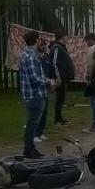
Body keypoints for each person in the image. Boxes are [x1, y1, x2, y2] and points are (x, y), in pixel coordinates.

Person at [18, 30, 57, 159]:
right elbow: (35, 78)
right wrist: (49, 81)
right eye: (39, 38)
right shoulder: (31, 56)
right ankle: (29, 149)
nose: (40, 41)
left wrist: (47, 80)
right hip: (34, 95)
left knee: (32, 123)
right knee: (32, 124)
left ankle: (30, 148)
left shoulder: (27, 54)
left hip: (32, 94)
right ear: (36, 40)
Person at [49, 30, 74, 126]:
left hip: (64, 76)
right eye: (66, 36)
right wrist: (58, 77)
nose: (68, 38)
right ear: (63, 37)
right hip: (61, 77)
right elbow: (55, 63)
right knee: (60, 98)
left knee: (61, 98)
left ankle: (59, 118)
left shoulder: (61, 47)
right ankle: (58, 119)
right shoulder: (57, 47)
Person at [34, 37, 53, 144]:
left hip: (45, 86)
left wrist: (51, 82)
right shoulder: (35, 57)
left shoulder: (47, 56)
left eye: (45, 44)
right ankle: (35, 133)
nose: (43, 46)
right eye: (41, 45)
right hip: (38, 87)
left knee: (45, 110)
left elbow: (49, 70)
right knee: (38, 111)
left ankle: (41, 132)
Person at [81, 33, 95, 134]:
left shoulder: (91, 49)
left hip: (93, 78)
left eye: (87, 41)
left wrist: (88, 77)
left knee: (94, 102)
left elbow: (90, 65)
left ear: (91, 40)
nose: (86, 43)